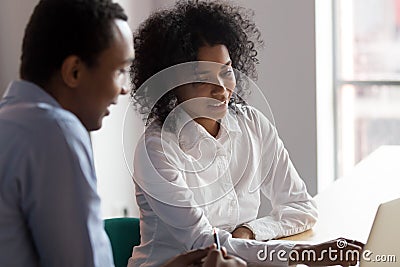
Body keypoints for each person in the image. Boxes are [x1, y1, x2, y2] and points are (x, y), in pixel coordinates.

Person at [0, 0, 245, 266]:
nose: (124, 89)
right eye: (118, 71)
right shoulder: (56, 132)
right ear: (74, 72)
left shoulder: (11, 123)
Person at [128, 0, 363, 266]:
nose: (221, 88)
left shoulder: (253, 125)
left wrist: (250, 231)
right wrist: (304, 253)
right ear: (174, 83)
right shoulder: (157, 149)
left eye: (226, 71)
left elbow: (301, 206)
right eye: (204, 77)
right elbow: (205, 244)